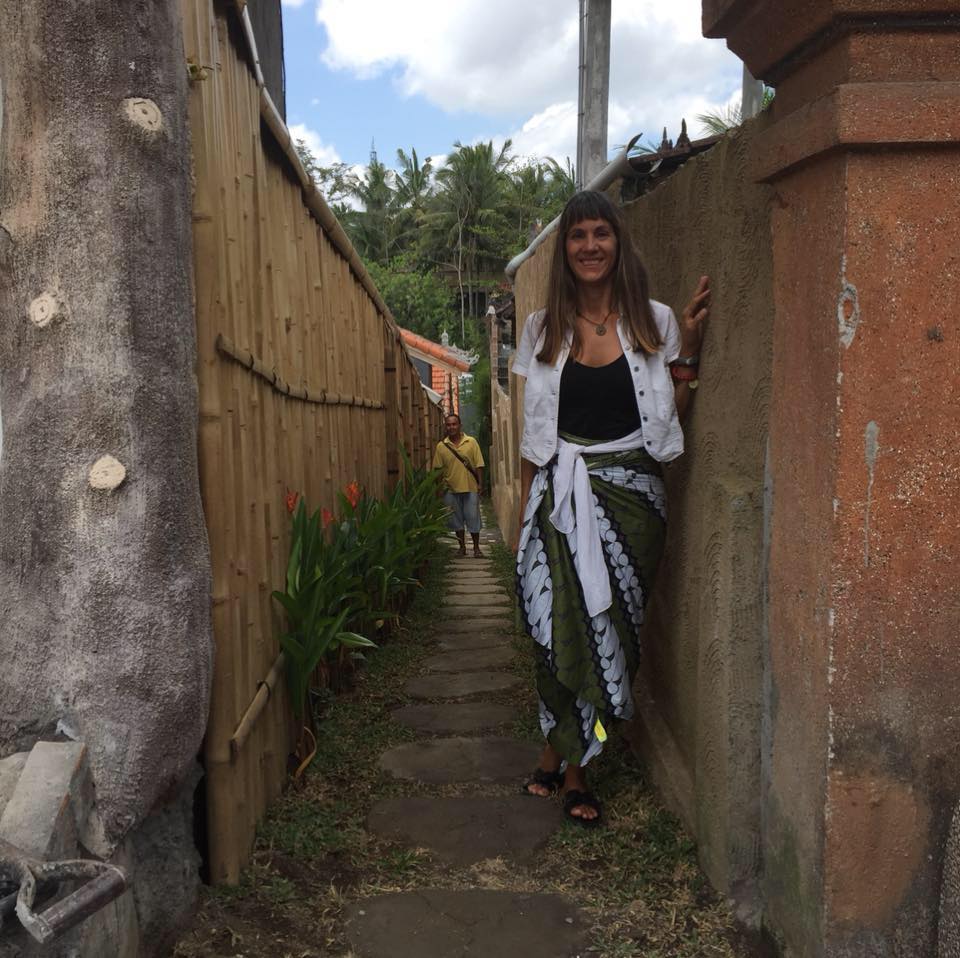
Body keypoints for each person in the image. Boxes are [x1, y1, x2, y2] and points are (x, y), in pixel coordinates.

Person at [512, 190, 709, 827]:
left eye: (601, 233)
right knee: (553, 627)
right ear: (565, 249)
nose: (590, 245)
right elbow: (533, 434)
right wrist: (521, 516)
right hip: (556, 501)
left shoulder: (655, 322)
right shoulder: (541, 329)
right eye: (578, 235)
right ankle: (560, 750)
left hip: (632, 503)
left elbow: (665, 424)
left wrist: (688, 354)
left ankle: (574, 767)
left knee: (608, 632)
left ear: (618, 243)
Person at [433, 412, 486, 557]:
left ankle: (476, 548)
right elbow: (437, 469)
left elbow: (479, 464)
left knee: (473, 518)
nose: (451, 427)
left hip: (470, 487)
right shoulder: (441, 446)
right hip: (450, 489)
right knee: (456, 520)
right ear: (446, 427)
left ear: (460, 425)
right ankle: (462, 547)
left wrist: (480, 484)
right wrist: (439, 490)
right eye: (448, 425)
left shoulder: (471, 442)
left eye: (454, 424)